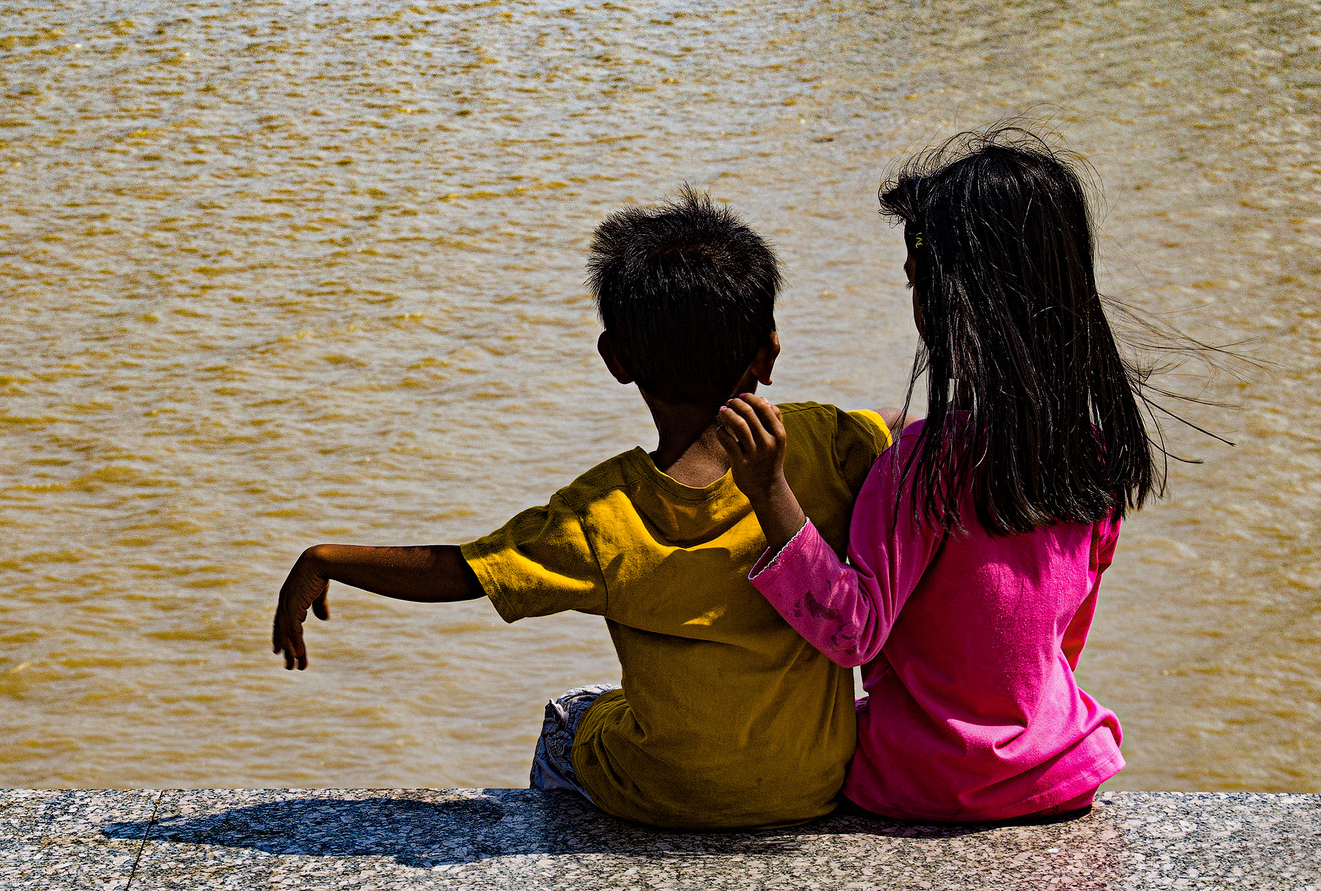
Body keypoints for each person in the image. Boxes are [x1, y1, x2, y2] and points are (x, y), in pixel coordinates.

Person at [271, 187, 901, 830]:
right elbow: (913, 431)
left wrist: (329, 559)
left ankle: (564, 855)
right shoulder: (826, 445)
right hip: (812, 785)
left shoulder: (601, 512)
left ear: (616, 361)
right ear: (768, 353)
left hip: (664, 796)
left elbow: (465, 572)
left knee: (571, 717)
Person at [724, 128, 1150, 822]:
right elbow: (1064, 642)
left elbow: (852, 631)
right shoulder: (1097, 456)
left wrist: (770, 489)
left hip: (923, 782)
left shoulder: (923, 467)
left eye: (914, 272)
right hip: (1060, 768)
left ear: (944, 298)